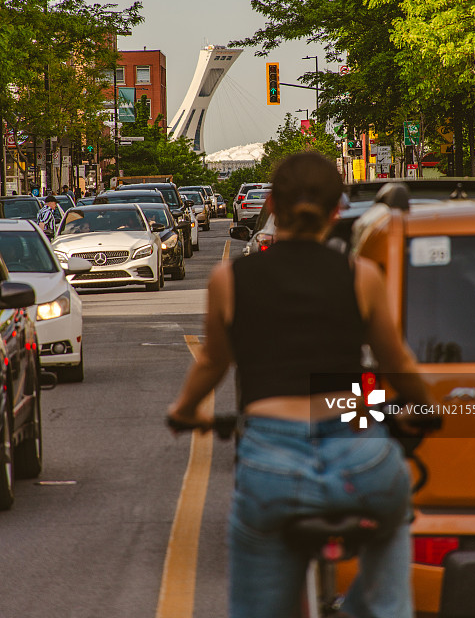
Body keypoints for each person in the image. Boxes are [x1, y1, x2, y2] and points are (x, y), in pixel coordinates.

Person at [167, 152, 434, 618]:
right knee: (393, 519)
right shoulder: (361, 276)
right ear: (338, 210)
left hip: (272, 464)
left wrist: (184, 412)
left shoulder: (230, 278)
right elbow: (398, 365)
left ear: (270, 203)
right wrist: (427, 407)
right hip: (360, 454)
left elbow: (212, 364)